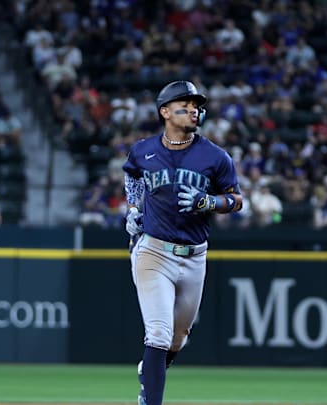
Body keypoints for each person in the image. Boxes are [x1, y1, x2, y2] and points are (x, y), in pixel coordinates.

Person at [122, 81, 243, 405]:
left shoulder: (215, 157)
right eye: (185, 104)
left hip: (194, 257)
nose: (193, 110)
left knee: (178, 338)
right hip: (154, 252)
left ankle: (150, 369)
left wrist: (210, 203)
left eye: (196, 105)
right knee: (159, 334)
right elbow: (132, 174)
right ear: (165, 111)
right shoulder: (143, 150)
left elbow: (236, 201)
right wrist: (133, 207)